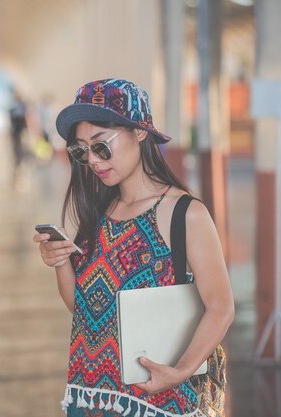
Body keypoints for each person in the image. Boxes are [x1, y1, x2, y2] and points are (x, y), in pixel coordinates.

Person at [32, 78, 234, 417]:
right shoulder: (98, 213)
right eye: (82, 151)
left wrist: (181, 371)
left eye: (101, 145)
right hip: (92, 398)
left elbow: (221, 307)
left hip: (158, 403)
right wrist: (60, 262)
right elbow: (85, 310)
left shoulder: (184, 213)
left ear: (139, 131)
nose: (93, 161)